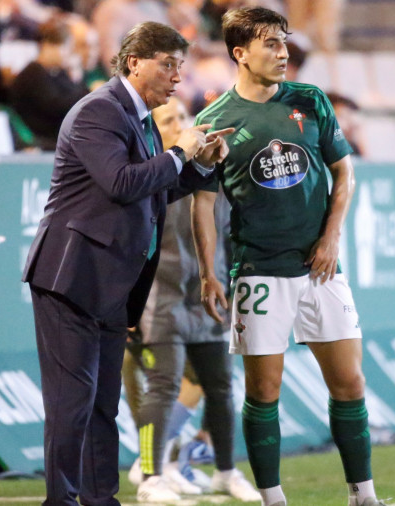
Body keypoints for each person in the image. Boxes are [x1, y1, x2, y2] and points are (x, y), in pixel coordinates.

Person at [21, 21, 234, 506]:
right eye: (168, 65)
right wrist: (181, 150)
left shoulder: (136, 117)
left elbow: (154, 191)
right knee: (71, 403)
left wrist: (202, 164)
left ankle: (100, 500)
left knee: (102, 404)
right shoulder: (100, 111)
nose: (178, 77)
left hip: (113, 285)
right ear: (134, 62)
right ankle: (61, 500)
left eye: (181, 66)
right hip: (71, 279)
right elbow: (121, 183)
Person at [192, 7, 385, 506]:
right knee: (264, 391)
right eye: (270, 45)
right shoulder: (213, 122)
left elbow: (344, 174)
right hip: (259, 271)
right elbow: (205, 202)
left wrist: (330, 239)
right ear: (240, 53)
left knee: (350, 381)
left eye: (283, 43)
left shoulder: (311, 100)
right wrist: (208, 273)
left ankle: (363, 495)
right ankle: (273, 498)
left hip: (320, 268)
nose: (282, 53)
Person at [129, 97, 260, 503]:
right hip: (159, 299)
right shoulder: (149, 178)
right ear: (156, 133)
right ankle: (150, 474)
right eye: (170, 119)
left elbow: (228, 232)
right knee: (163, 385)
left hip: (205, 296)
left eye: (184, 116)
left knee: (220, 387)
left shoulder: (209, 173)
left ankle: (225, 471)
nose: (182, 123)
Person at [9, 16, 89, 151]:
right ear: (47, 45)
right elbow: (55, 106)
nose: (67, 54)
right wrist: (88, 94)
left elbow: (75, 95)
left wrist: (77, 79)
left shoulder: (57, 73)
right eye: (64, 47)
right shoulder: (34, 73)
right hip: (41, 136)